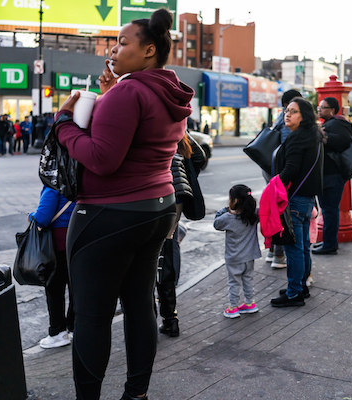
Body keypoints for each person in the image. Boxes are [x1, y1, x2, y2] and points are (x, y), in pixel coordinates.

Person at [55, 9, 194, 400]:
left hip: (109, 213)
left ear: (149, 50)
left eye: (123, 42)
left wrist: (64, 122)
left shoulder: (129, 92)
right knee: (139, 305)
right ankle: (136, 394)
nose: (114, 48)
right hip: (157, 208)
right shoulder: (168, 90)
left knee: (92, 315)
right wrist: (114, 89)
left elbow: (102, 158)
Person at [269, 97, 323, 307]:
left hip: (295, 198)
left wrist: (274, 185)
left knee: (293, 247)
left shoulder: (297, 137)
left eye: (293, 111)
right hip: (307, 198)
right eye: (286, 111)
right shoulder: (313, 135)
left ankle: (294, 293)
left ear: (305, 116)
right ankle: (301, 286)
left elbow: (290, 169)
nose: (287, 114)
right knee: (302, 246)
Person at [157, 133, 206, 338]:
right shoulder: (177, 125)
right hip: (177, 195)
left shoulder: (150, 119)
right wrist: (185, 176)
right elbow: (199, 157)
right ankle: (171, 319)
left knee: (146, 261)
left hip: (154, 194)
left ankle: (150, 321)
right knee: (166, 253)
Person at [29, 186, 76, 349]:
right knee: (76, 287)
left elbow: (42, 217)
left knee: (54, 289)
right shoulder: (82, 178)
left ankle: (58, 333)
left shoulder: (54, 185)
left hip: (57, 245)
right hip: (79, 240)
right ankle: (75, 327)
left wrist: (30, 216)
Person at [264, 89, 302, 269]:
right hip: (281, 171)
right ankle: (279, 254)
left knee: (274, 207)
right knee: (282, 210)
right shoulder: (290, 120)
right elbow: (289, 148)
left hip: (273, 168)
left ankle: (272, 251)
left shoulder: (280, 117)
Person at [312, 97, 352, 255]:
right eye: (319, 107)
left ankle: (330, 244)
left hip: (333, 175)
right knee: (328, 209)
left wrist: (322, 135)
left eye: (322, 108)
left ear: (332, 110)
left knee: (329, 210)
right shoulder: (331, 123)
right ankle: (328, 241)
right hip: (330, 174)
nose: (319, 110)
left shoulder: (337, 123)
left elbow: (343, 141)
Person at [214, 184, 261, 318]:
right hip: (250, 255)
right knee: (248, 279)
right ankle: (250, 303)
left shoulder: (228, 218)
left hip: (234, 258)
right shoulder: (254, 214)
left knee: (234, 282)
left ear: (234, 201)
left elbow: (216, 223)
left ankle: (233, 307)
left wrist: (227, 209)